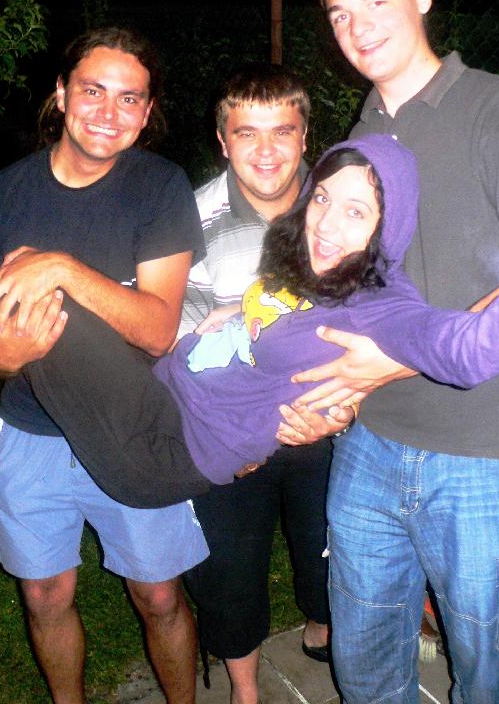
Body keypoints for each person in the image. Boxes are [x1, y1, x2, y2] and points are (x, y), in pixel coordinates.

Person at [0, 134, 499, 495]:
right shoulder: (311, 267)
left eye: (356, 212)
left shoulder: (380, 304)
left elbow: (468, 351)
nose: (326, 223)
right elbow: (268, 329)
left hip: (165, 444)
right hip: (157, 396)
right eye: (322, 197)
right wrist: (233, 316)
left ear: (387, 226)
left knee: (37, 292)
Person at [0, 26, 210, 704]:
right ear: (61, 94)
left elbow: (158, 331)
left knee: (159, 595)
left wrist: (59, 267)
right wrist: (6, 358)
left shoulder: (159, 187)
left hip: (134, 423)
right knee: (44, 593)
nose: (108, 112)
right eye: (92, 91)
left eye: (129, 99)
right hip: (32, 426)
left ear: (146, 113)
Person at [304, 0, 499, 704]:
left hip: (482, 454)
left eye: (376, 1)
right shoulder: (361, 135)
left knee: (489, 676)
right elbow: (353, 284)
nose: (357, 27)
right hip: (367, 442)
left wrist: (394, 360)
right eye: (339, 14)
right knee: (363, 667)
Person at [179, 64, 339, 704]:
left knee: (330, 547)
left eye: (283, 131)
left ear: (305, 136)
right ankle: (244, 688)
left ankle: (321, 628)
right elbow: (179, 341)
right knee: (228, 568)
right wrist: (227, 438)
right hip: (231, 425)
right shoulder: (189, 219)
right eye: (247, 133)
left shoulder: (344, 204)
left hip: (327, 415)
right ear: (222, 140)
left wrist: (343, 407)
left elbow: (379, 310)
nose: (266, 150)